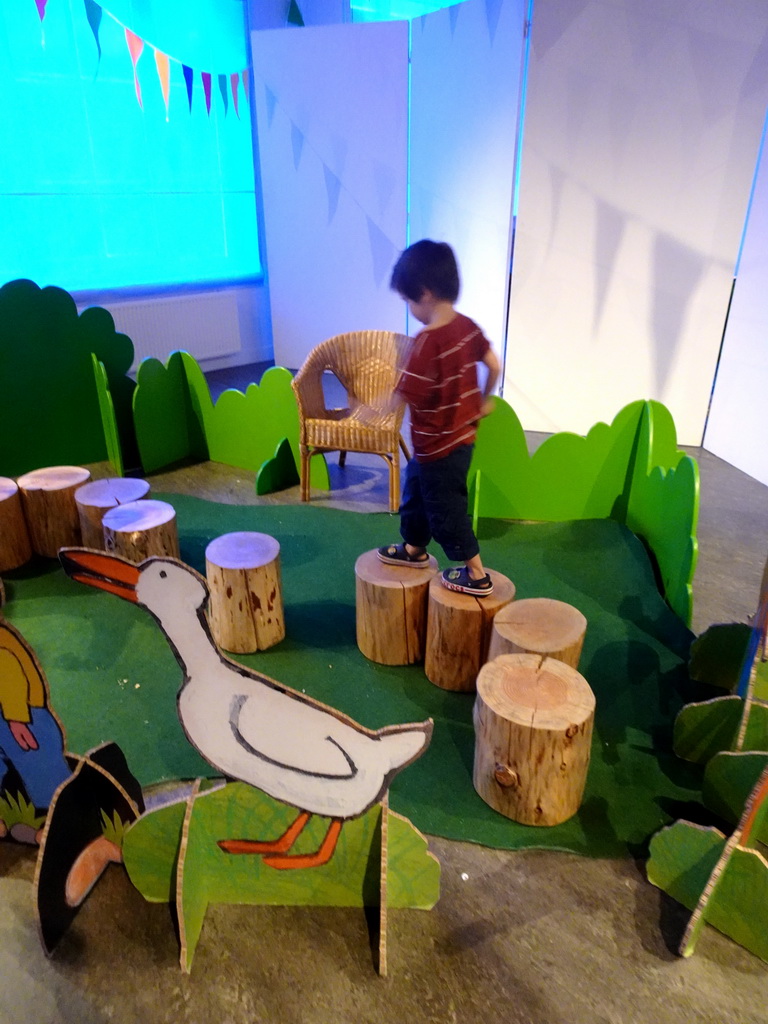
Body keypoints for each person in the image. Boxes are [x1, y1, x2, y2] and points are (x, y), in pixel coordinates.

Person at [377, 240, 501, 596]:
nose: (409, 307)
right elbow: (494, 365)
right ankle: (414, 550)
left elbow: (403, 394)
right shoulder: (468, 327)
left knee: (446, 510)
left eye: (408, 300)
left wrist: (371, 410)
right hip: (453, 443)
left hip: (440, 449)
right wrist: (484, 400)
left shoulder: (427, 342)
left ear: (425, 294)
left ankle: (476, 574)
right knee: (416, 491)